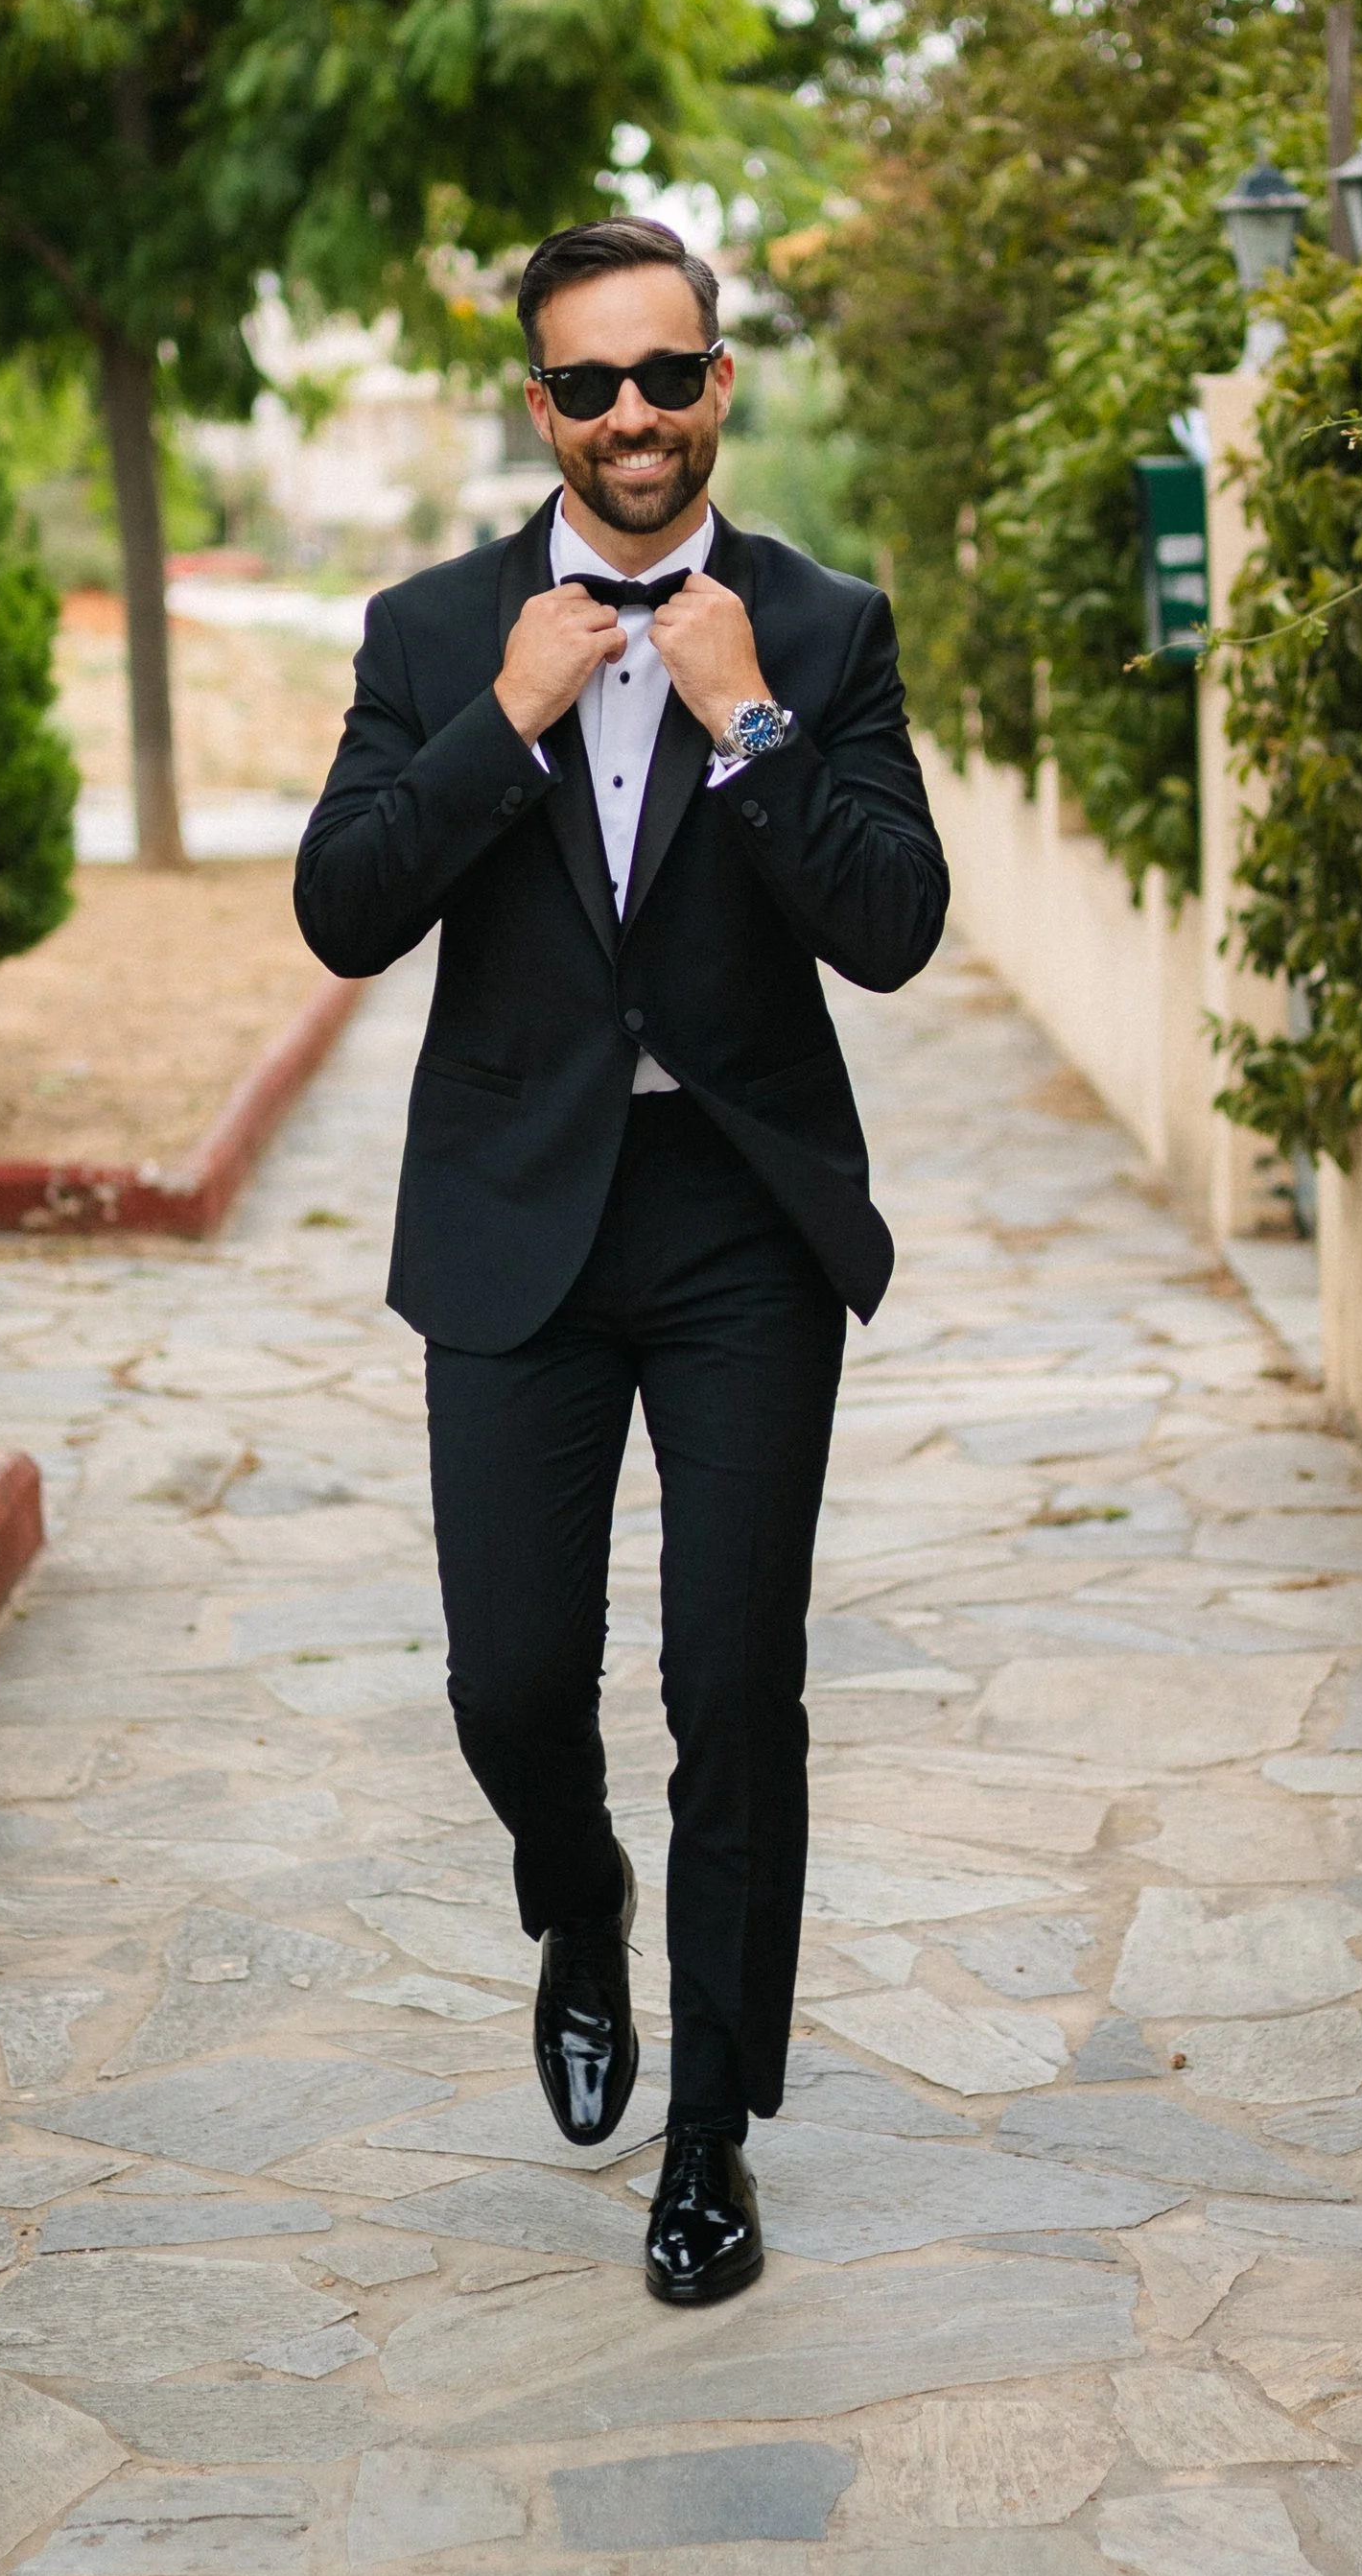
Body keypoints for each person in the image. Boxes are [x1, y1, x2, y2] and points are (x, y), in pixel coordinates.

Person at [294, 215, 947, 2305]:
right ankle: (572, 1902)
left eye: (667, 376)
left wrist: (745, 723)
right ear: (537, 405)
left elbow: (893, 928)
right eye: (589, 385)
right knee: (507, 1686)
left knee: (733, 1691)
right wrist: (500, 721)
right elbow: (339, 911)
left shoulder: (820, 630)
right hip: (512, 1219)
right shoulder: (424, 633)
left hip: (736, 1213)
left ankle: (707, 2140)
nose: (633, 417)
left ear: (718, 384)